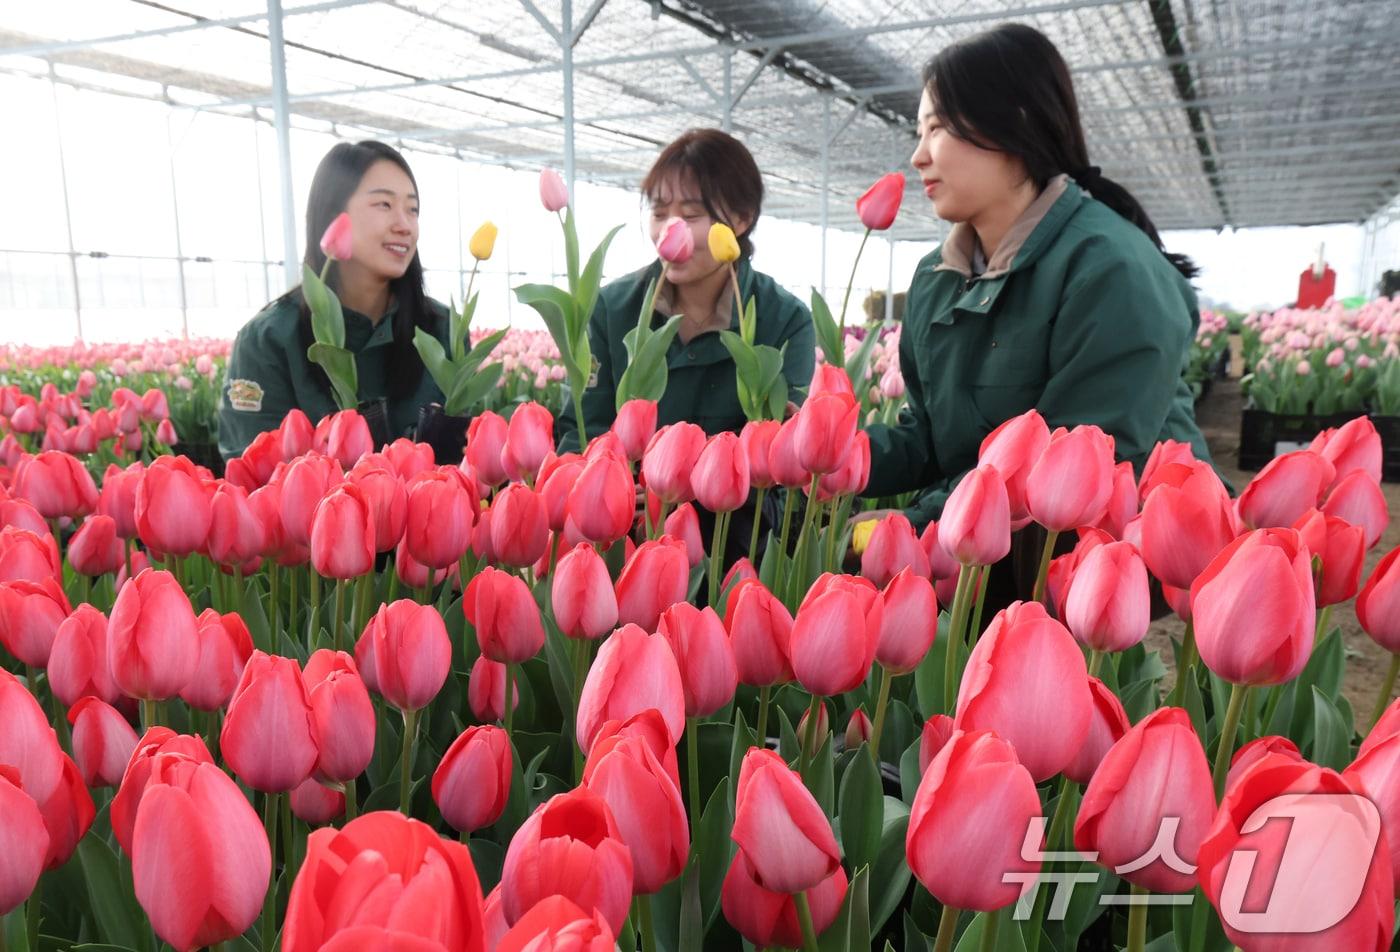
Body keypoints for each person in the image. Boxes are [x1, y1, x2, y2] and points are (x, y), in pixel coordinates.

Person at [861, 23, 1216, 539]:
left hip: (1091, 560)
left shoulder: (1112, 270)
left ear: (1014, 124)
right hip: (980, 548)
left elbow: (1064, 470)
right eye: (920, 133)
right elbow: (929, 439)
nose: (918, 156)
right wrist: (830, 458)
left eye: (936, 129)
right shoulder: (935, 277)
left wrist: (913, 526)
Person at [556, 129, 816, 561]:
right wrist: (604, 480)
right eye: (659, 213)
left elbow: (785, 456)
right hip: (628, 536)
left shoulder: (782, 318)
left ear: (742, 217)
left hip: (738, 544)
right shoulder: (612, 308)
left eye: (691, 215)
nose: (668, 229)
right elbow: (581, 427)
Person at [218, 140, 450, 461]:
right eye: (384, 204)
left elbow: (467, 462)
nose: (404, 225)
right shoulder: (270, 339)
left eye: (413, 209)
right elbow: (254, 471)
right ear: (332, 214)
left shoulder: (441, 330)